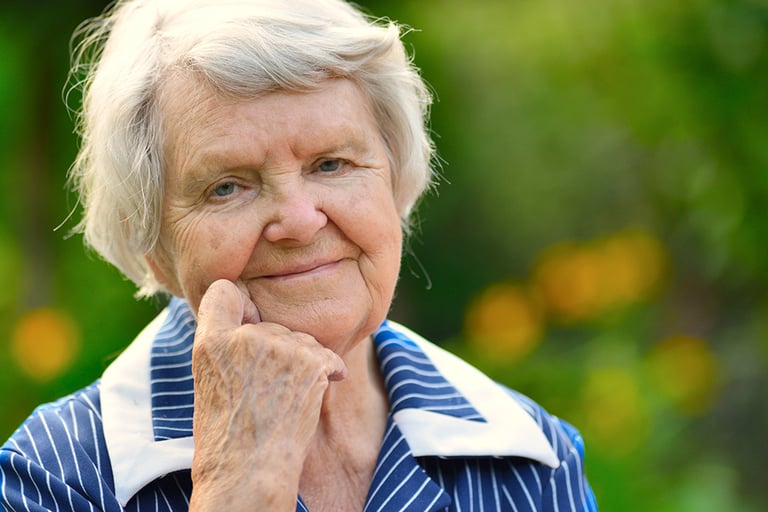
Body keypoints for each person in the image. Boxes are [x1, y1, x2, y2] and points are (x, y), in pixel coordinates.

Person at [0, 0, 598, 510]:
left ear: (395, 181)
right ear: (153, 245)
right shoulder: (57, 476)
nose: (299, 219)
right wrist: (238, 486)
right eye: (227, 186)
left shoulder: (528, 459)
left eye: (331, 164)